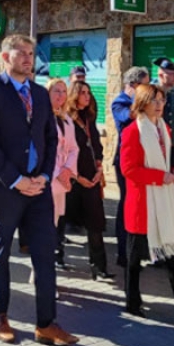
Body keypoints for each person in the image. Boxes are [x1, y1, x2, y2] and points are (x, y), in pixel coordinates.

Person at [0, 34, 78, 346]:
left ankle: (46, 323)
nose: (29, 59)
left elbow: (49, 139)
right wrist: (18, 180)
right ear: (6, 58)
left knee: (45, 254)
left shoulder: (39, 94)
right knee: (0, 253)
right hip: (6, 187)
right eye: (22, 54)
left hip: (40, 188)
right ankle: (0, 315)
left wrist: (45, 175)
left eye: (31, 53)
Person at [120, 83, 174, 325]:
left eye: (162, 101)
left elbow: (170, 158)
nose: (160, 105)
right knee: (134, 260)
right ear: (142, 102)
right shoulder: (132, 131)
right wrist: (160, 177)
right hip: (143, 205)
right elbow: (129, 169)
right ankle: (132, 302)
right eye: (154, 101)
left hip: (164, 201)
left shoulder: (163, 127)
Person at [66, 80, 113, 280]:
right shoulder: (67, 119)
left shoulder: (89, 118)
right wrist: (78, 178)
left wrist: (100, 167)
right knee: (62, 221)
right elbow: (65, 151)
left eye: (88, 92)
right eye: (83, 92)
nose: (87, 96)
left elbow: (96, 145)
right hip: (73, 178)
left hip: (92, 176)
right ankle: (58, 258)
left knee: (95, 223)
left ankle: (99, 267)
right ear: (74, 95)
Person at [110, 66, 150, 267]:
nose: (147, 90)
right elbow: (127, 117)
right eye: (144, 86)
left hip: (142, 162)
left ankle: (141, 250)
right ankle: (123, 252)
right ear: (133, 85)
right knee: (126, 204)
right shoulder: (120, 102)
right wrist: (142, 102)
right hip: (125, 162)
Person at [46, 79, 78, 269]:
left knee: (55, 224)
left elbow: (74, 148)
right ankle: (41, 272)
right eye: (56, 91)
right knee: (45, 227)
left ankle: (47, 269)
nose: (60, 95)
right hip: (49, 178)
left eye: (63, 91)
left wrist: (67, 170)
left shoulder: (67, 120)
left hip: (62, 180)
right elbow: (42, 150)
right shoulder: (42, 118)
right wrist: (57, 172)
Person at [153, 57, 174, 181]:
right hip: (157, 147)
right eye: (171, 74)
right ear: (161, 75)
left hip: (172, 148)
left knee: (173, 188)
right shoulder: (152, 94)